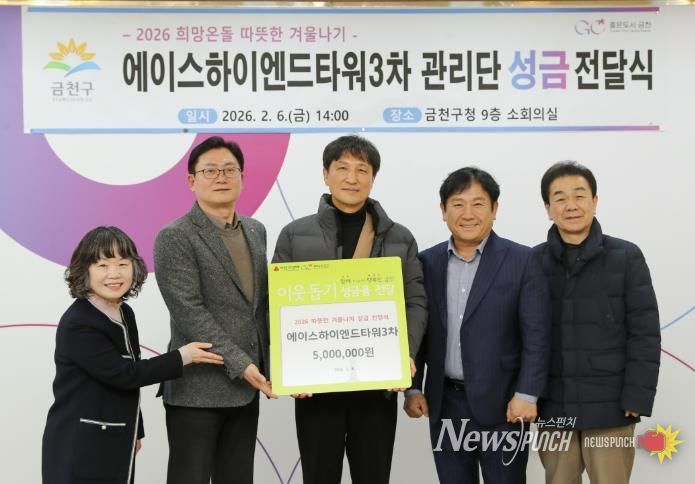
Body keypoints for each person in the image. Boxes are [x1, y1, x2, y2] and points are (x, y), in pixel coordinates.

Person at [272, 135, 427, 484]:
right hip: (316, 388)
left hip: (377, 386)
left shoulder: (399, 238)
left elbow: (415, 302)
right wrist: (288, 367)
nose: (352, 178)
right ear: (325, 174)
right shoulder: (294, 235)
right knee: (319, 476)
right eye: (342, 168)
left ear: (373, 177)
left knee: (373, 476)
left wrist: (405, 353)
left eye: (362, 170)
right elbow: (275, 306)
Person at [41, 226, 224, 484]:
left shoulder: (124, 312)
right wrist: (182, 356)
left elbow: (130, 373)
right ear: (85, 271)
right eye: (103, 265)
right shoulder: (79, 322)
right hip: (81, 441)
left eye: (122, 264)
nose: (114, 274)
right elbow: (124, 374)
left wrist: (135, 429)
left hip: (117, 435)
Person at [404, 167, 551, 484]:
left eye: (478, 204)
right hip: (445, 403)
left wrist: (528, 393)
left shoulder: (523, 261)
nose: (467, 214)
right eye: (458, 204)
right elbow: (419, 330)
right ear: (443, 210)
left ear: (495, 209)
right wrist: (413, 387)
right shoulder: (427, 263)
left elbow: (537, 336)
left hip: (504, 405)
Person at [153, 136, 273, 484]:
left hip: (246, 391)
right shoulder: (175, 236)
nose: (221, 177)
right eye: (210, 171)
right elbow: (189, 312)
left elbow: (261, 307)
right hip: (197, 391)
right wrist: (242, 364)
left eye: (229, 169)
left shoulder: (256, 230)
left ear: (242, 178)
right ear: (191, 180)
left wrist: (276, 365)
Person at [534, 161, 660, 484]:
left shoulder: (626, 257)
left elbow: (644, 333)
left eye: (579, 195)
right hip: (554, 407)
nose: (571, 205)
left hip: (611, 408)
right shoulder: (533, 261)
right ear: (548, 208)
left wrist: (637, 396)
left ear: (594, 201)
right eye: (560, 198)